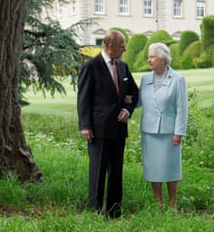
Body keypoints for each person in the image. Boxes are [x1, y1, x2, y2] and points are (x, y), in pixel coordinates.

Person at [77, 30, 139, 218]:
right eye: (122, 46)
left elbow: (133, 93)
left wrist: (127, 109)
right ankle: (94, 210)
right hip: (98, 129)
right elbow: (83, 99)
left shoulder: (123, 66)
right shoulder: (91, 66)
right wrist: (85, 125)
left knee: (116, 171)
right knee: (98, 171)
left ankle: (114, 211)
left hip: (119, 129)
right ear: (110, 46)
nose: (125, 49)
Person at [138, 42, 188, 212]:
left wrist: (179, 132)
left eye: (152, 57)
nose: (149, 59)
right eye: (149, 56)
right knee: (153, 168)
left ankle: (172, 204)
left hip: (169, 132)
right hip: (149, 131)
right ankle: (158, 203)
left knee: (171, 168)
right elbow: (137, 102)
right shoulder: (145, 79)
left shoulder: (178, 79)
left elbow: (182, 108)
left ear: (162, 59)